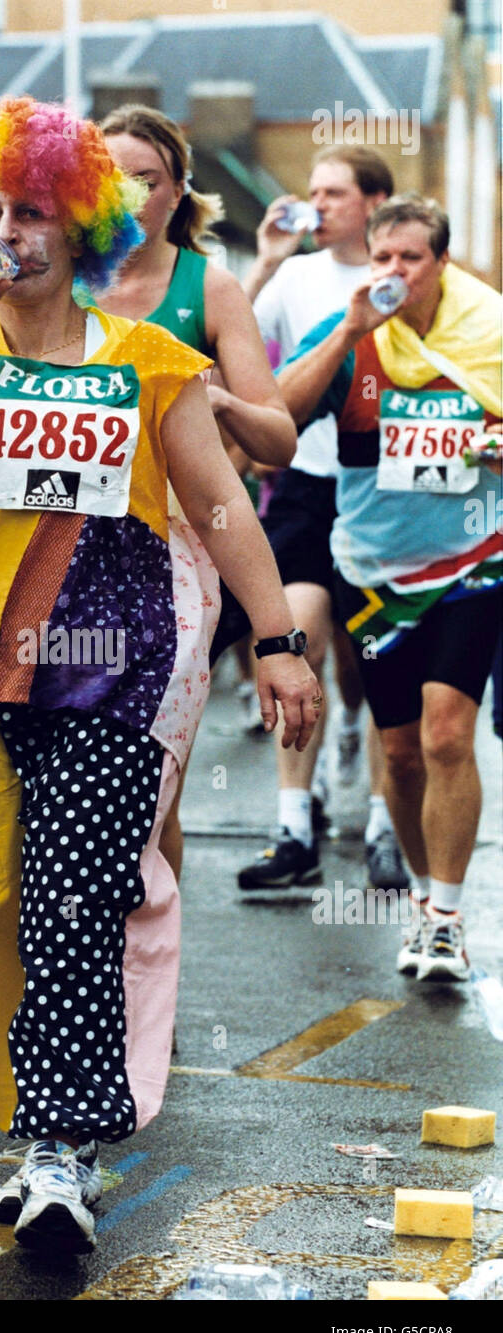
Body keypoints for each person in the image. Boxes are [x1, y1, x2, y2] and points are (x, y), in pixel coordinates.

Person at [0, 96, 321, 1254]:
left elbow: (219, 504)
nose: (14, 228)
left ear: (86, 227)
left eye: (40, 209)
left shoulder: (150, 361)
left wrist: (276, 639)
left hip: (107, 671)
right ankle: (34, 1126)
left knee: (72, 904)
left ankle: (63, 1150)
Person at [277, 194, 502, 980]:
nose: (394, 273)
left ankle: (446, 915)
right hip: (372, 575)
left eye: (410, 259)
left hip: (475, 562)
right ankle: (417, 897)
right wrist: (346, 332)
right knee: (401, 752)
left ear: (442, 263)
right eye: (382, 258)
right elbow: (277, 415)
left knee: (447, 734)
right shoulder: (353, 331)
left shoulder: (489, 334)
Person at [94, 103, 297, 879]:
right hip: (57, 551)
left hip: (180, 564)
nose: (127, 195)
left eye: (145, 180)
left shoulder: (208, 289)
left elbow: (277, 439)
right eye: (109, 178)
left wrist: (218, 404)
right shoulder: (53, 284)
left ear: (177, 193)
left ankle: (148, 975)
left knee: (151, 790)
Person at [236, 147, 409, 893]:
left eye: (335, 193)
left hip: (383, 489)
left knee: (369, 657)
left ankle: (382, 825)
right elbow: (224, 337)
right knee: (290, 638)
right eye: (312, 192)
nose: (318, 204)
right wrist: (268, 261)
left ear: (374, 202)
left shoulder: (404, 277)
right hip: (307, 485)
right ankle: (293, 825)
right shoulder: (299, 276)